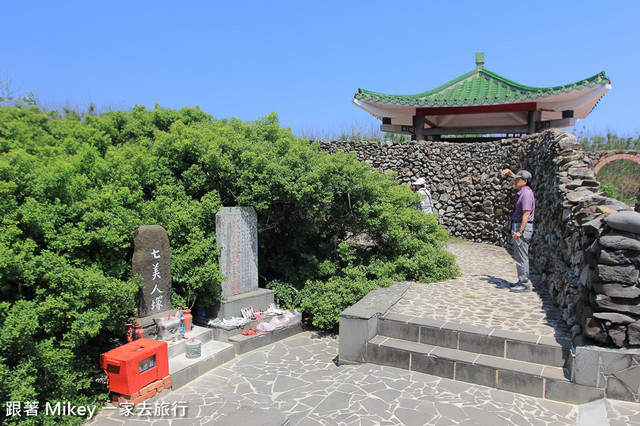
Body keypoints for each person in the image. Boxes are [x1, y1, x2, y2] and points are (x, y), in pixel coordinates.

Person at [500, 168, 535, 292]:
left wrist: (520, 231)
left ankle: (524, 284)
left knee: (522, 256)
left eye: (517, 179)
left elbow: (526, 214)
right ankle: (521, 280)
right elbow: (514, 178)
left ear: (524, 181)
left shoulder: (526, 195)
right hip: (519, 226)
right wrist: (510, 173)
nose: (514, 181)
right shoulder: (524, 192)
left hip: (522, 227)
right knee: (519, 256)